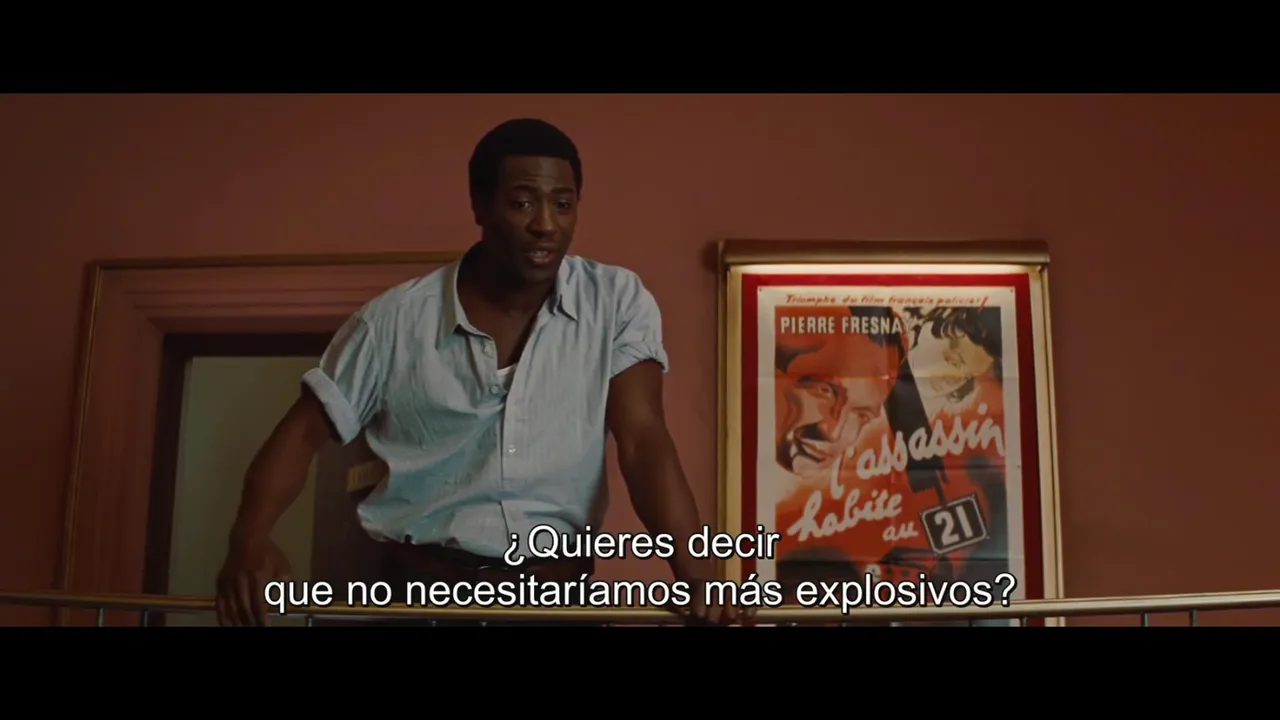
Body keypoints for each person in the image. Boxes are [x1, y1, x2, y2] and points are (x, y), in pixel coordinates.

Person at [214, 118, 742, 627]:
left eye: (563, 204)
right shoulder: (393, 321)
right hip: (416, 599)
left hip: (559, 603)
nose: (546, 223)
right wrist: (249, 541)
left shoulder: (617, 301)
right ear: (480, 205)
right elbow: (302, 431)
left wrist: (695, 575)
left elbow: (644, 439)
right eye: (522, 202)